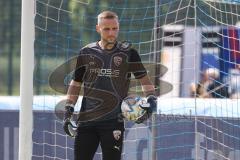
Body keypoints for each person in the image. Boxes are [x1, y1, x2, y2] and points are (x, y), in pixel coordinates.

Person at [63, 11, 157, 160]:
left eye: (115, 28)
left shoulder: (129, 53)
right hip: (86, 122)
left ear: (118, 27)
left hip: (113, 122)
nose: (111, 33)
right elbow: (76, 83)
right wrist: (68, 111)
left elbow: (145, 81)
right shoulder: (86, 52)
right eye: (106, 29)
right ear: (98, 28)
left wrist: (152, 101)